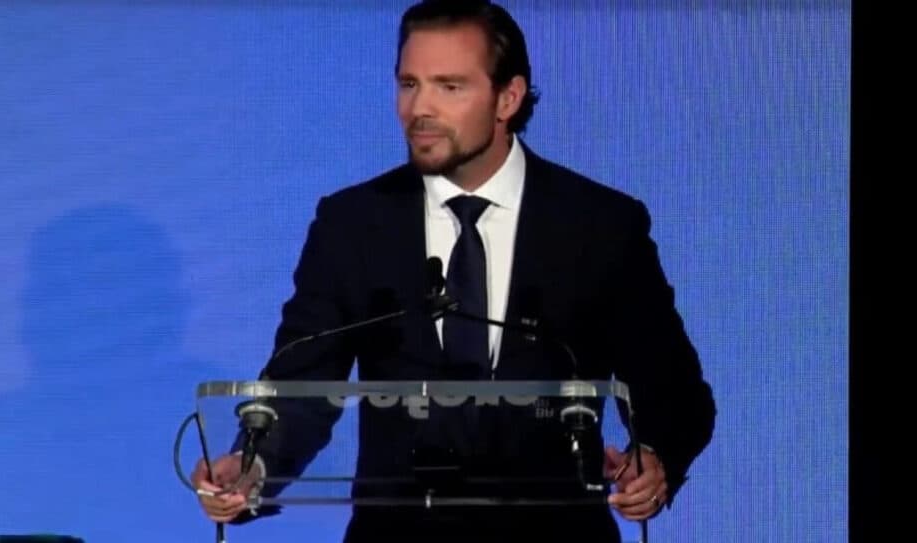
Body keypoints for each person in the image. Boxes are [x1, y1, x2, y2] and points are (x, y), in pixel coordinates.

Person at [192, 1, 716, 541]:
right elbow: (302, 381)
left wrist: (653, 457)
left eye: (449, 87)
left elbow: (672, 389)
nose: (419, 108)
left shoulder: (599, 225)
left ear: (508, 98)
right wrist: (253, 466)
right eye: (409, 84)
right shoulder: (353, 224)